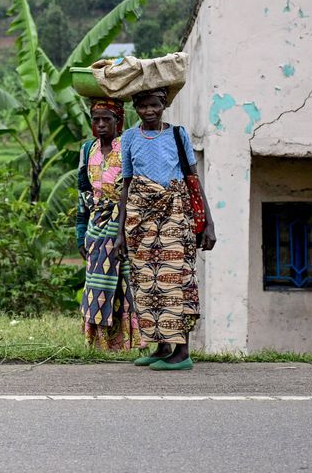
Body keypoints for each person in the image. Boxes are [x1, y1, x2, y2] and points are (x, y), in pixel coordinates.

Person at [112, 87, 217, 370]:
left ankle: (182, 351)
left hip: (174, 216)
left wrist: (208, 223)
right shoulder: (130, 137)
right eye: (143, 106)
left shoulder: (177, 134)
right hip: (140, 222)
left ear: (164, 105)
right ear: (136, 108)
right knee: (147, 283)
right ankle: (162, 346)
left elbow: (193, 180)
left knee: (175, 280)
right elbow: (127, 186)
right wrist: (120, 232)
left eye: (155, 105)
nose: (149, 111)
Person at [75, 98, 140, 351]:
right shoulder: (87, 149)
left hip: (121, 224)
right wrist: (80, 234)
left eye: (107, 120)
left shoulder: (126, 146)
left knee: (123, 284)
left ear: (118, 121)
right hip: (95, 225)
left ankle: (126, 342)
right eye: (96, 120)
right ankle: (99, 342)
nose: (101, 124)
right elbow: (82, 192)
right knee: (96, 283)